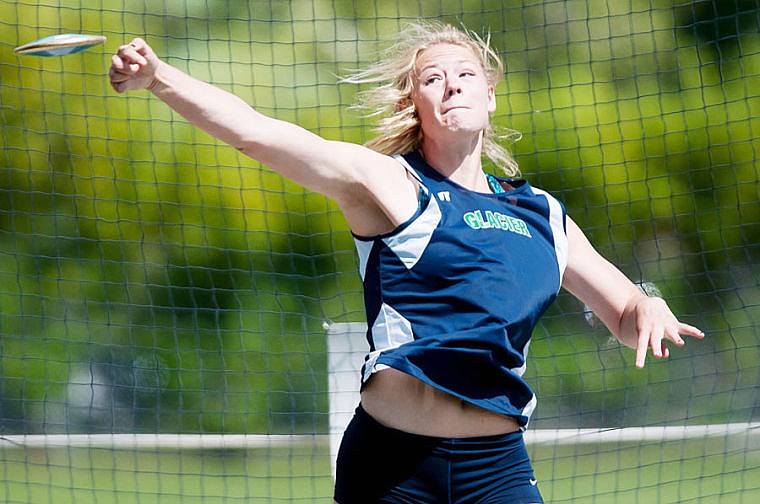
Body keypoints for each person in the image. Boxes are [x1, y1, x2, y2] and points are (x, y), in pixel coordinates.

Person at [109, 20, 704, 504]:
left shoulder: (540, 214)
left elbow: (624, 310)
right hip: (392, 467)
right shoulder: (390, 184)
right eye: (432, 78)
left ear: (490, 95)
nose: (451, 85)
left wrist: (648, 306)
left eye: (466, 74)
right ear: (414, 103)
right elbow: (257, 134)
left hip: (494, 469)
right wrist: (160, 78)